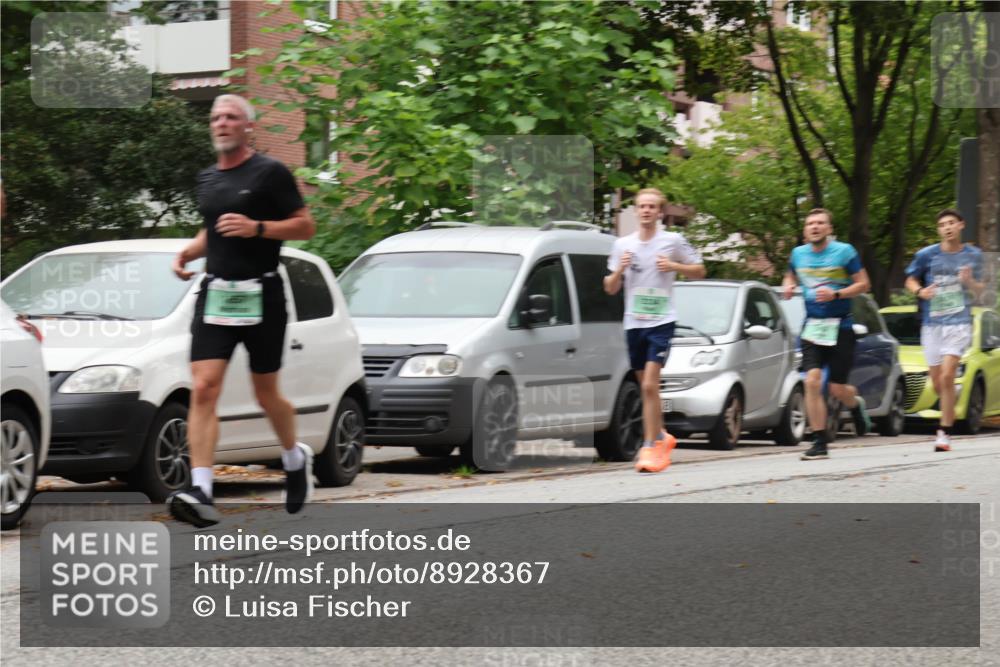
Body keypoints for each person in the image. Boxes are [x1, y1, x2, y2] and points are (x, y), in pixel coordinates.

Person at [168, 94, 317, 526]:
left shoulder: (270, 172)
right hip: (217, 293)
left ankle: (294, 458)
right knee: (203, 387)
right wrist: (189, 252)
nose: (222, 123)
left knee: (265, 393)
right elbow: (213, 229)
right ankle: (201, 488)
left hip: (262, 295)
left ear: (248, 126)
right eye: (216, 117)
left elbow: (306, 225)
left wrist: (259, 228)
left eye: (231, 117)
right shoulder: (208, 178)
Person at [604, 188, 706, 473]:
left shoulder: (673, 240)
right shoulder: (623, 245)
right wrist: (619, 270)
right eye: (642, 206)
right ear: (636, 211)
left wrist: (673, 265)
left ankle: (649, 447)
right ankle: (661, 435)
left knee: (650, 385)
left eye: (652, 206)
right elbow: (610, 288)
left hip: (661, 321)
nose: (646, 210)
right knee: (645, 388)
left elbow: (700, 270)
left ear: (660, 212)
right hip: (634, 322)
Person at [783, 208, 872, 461]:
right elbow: (790, 274)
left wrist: (837, 294)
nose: (815, 227)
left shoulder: (844, 252)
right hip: (812, 326)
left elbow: (864, 284)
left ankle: (855, 404)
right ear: (805, 230)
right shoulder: (798, 254)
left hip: (840, 326)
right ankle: (819, 441)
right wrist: (789, 284)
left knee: (836, 388)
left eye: (820, 223)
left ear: (829, 229)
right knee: (811, 381)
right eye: (810, 223)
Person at [904, 209, 984, 452]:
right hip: (932, 324)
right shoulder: (926, 255)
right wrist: (921, 292)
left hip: (959, 323)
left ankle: (943, 433)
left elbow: (981, 289)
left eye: (951, 223)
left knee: (948, 376)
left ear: (961, 225)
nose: (947, 227)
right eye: (942, 225)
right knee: (939, 383)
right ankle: (950, 396)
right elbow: (910, 280)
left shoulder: (974, 255)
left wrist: (969, 282)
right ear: (939, 230)